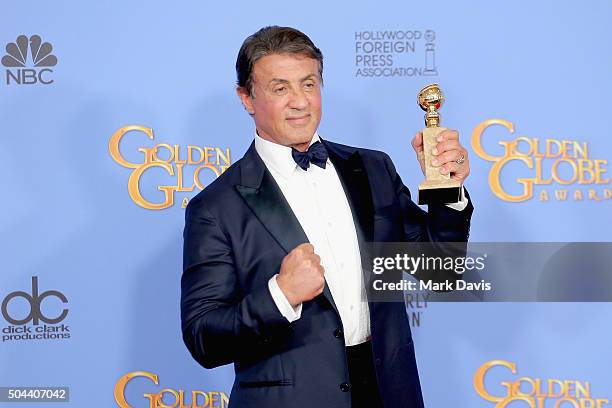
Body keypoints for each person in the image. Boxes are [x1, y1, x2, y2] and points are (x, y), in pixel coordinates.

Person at [181, 26, 473, 408]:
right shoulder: (216, 207)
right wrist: (280, 295)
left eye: (309, 84)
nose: (300, 102)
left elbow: (440, 271)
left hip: (388, 392)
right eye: (280, 88)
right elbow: (204, 338)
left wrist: (448, 193)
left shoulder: (372, 168)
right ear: (246, 98)